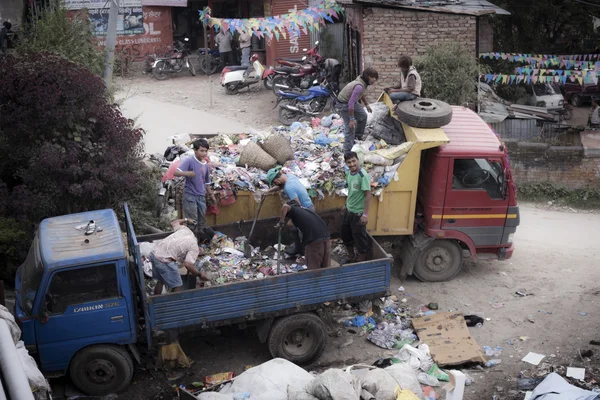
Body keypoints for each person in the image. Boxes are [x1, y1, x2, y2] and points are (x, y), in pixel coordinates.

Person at [174, 139, 216, 241]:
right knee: (192, 222)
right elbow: (176, 172)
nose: (204, 153)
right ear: (195, 150)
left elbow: (206, 183)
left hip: (201, 196)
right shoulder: (189, 160)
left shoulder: (205, 164)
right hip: (190, 196)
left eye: (206, 151)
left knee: (202, 222)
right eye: (201, 151)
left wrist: (211, 195)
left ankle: (200, 243)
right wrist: (187, 173)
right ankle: (191, 244)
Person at [150, 218, 203, 295]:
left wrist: (186, 219)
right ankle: (173, 305)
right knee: (177, 285)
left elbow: (173, 222)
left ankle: (155, 303)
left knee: (161, 280)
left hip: (155, 253)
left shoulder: (184, 229)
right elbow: (187, 264)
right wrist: (200, 274)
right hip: (164, 260)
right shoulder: (194, 246)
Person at [275, 202, 331, 270]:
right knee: (326, 268)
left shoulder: (292, 209)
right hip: (326, 238)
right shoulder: (304, 210)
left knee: (313, 269)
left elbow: (285, 206)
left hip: (314, 241)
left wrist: (281, 221)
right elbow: (290, 224)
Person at [336, 67, 379, 153]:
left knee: (363, 116)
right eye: (372, 77)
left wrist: (366, 104)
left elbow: (361, 94)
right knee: (350, 127)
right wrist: (352, 119)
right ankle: (348, 151)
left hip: (351, 102)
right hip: (344, 104)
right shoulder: (359, 86)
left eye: (375, 77)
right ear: (367, 76)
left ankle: (358, 136)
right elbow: (350, 103)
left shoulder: (362, 83)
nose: (374, 79)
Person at [342, 152, 372, 262]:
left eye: (353, 161)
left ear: (357, 160)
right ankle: (351, 256)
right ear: (346, 163)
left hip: (358, 213)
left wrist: (365, 214)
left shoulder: (362, 176)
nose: (352, 164)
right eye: (349, 162)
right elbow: (351, 191)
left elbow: (368, 195)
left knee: (359, 238)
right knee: (346, 235)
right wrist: (346, 204)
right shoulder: (349, 173)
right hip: (349, 210)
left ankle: (361, 261)